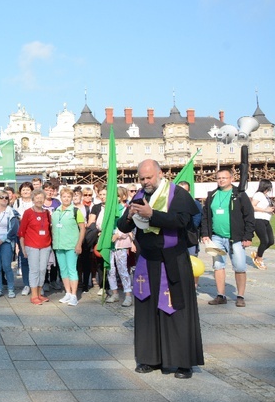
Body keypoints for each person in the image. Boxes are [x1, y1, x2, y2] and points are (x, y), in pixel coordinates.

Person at [118, 159, 203, 379]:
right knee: (148, 311)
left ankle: (183, 363)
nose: (145, 182)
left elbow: (184, 221)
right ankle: (149, 358)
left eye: (149, 177)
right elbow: (122, 226)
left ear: (160, 174)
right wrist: (128, 216)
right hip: (148, 261)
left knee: (176, 310)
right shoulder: (138, 196)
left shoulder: (176, 194)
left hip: (173, 261)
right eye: (142, 178)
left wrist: (152, 215)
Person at [201, 169, 255, 307]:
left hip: (236, 238)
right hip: (217, 237)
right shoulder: (212, 195)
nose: (221, 180)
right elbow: (206, 216)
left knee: (240, 267)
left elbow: (249, 216)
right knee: (218, 266)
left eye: (224, 178)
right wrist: (205, 233)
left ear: (231, 178)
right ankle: (221, 295)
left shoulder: (240, 194)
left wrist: (248, 236)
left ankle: (240, 296)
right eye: (218, 178)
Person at [51, 187, 85, 306]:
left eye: (68, 197)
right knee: (63, 270)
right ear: (61, 198)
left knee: (72, 269)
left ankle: (74, 295)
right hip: (59, 245)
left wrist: (79, 244)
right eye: (64, 196)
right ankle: (68, 293)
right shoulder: (56, 211)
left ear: (71, 198)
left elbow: (82, 228)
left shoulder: (76, 211)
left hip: (71, 245)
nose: (66, 199)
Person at [18, 189, 52, 305]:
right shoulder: (28, 212)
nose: (39, 200)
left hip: (45, 245)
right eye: (36, 198)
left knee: (43, 269)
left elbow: (49, 229)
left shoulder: (47, 213)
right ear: (33, 199)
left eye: (41, 198)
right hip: (32, 245)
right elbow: (21, 232)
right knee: (34, 270)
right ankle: (33, 295)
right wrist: (23, 248)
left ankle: (39, 293)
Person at [106, 187, 134, 307]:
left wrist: (118, 234)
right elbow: (102, 222)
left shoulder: (126, 210)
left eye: (118, 196)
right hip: (109, 243)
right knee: (110, 269)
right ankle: (114, 292)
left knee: (122, 269)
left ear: (123, 197)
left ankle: (128, 295)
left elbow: (130, 226)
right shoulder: (108, 209)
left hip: (120, 244)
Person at [250, 179, 273, 270]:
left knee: (271, 241)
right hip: (258, 219)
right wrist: (265, 210)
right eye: (269, 187)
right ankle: (259, 259)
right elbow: (252, 206)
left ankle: (258, 253)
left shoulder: (265, 196)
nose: (270, 189)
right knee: (264, 240)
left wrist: (270, 210)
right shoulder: (258, 194)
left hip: (266, 220)